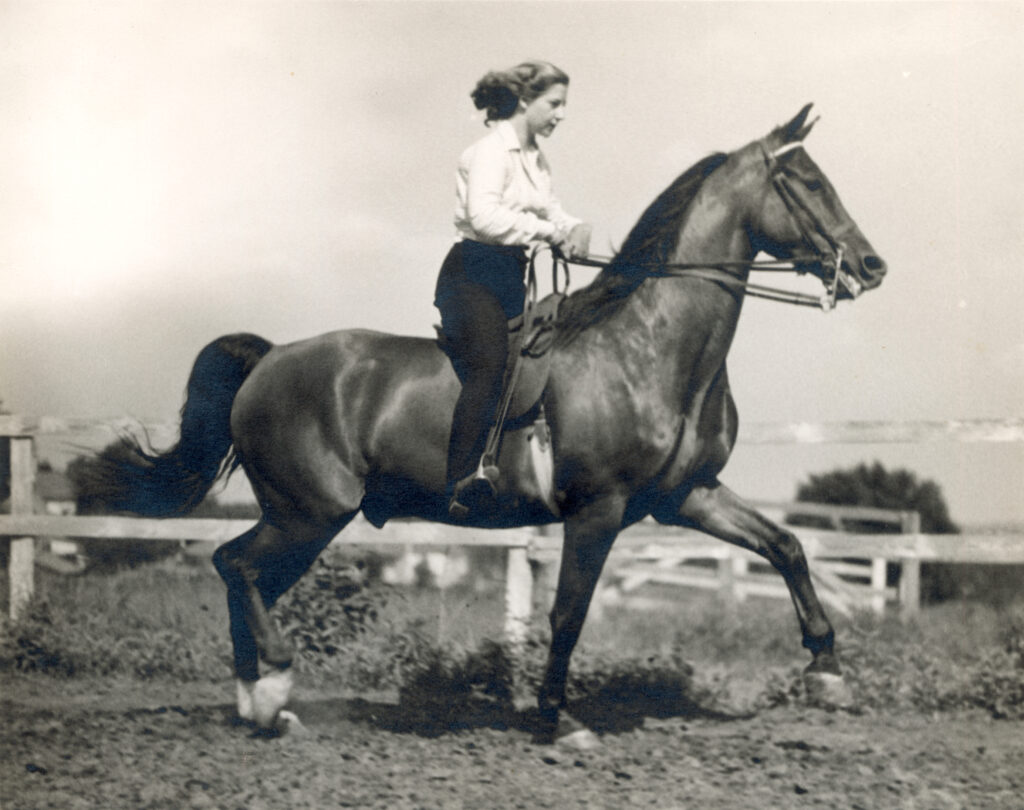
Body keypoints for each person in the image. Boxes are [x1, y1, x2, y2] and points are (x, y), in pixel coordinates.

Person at [434, 60, 591, 518]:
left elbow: (551, 211)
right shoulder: (489, 152)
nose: (561, 114)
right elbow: (484, 217)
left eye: (564, 106)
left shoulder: (537, 160)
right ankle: (459, 481)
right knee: (489, 362)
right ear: (525, 101)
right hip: (471, 276)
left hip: (511, 278)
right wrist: (546, 234)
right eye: (554, 104)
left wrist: (574, 227)